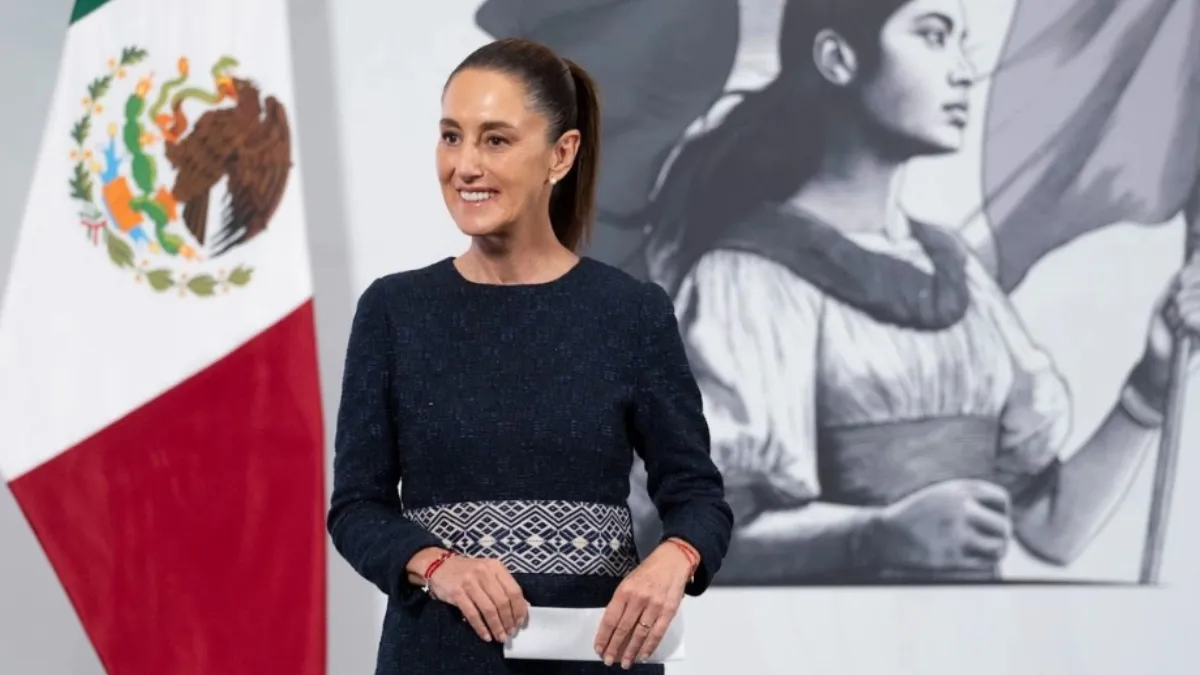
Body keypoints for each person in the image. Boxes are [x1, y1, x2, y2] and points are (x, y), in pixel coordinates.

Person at [640, 0, 1200, 584]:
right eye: (933, 37)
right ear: (838, 58)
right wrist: (874, 536)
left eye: (962, 43)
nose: (962, 71)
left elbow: (1049, 528)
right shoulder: (749, 279)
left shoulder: (958, 275)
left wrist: (1151, 385)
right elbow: (697, 538)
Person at [326, 37, 734, 674]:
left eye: (495, 139)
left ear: (560, 154)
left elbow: (698, 496)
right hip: (438, 656)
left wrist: (674, 558)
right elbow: (356, 508)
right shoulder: (393, 311)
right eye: (451, 136)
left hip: (597, 657)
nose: (464, 165)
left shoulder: (631, 312)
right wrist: (439, 566)